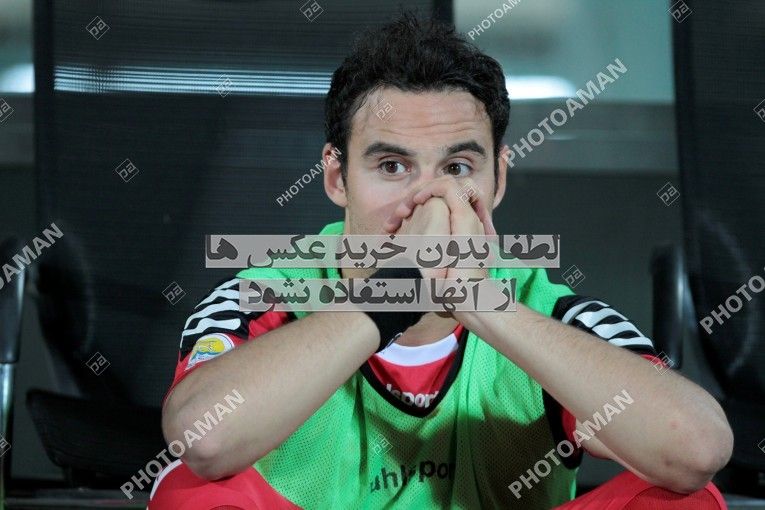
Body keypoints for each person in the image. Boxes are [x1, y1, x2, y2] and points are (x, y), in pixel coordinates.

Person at [149, 13, 732, 509]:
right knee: (188, 491)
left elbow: (696, 450)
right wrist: (394, 293)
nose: (427, 202)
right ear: (336, 177)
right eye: (392, 167)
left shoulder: (547, 308)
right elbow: (202, 440)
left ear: (498, 179)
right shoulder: (265, 294)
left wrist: (481, 303)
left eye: (456, 169)